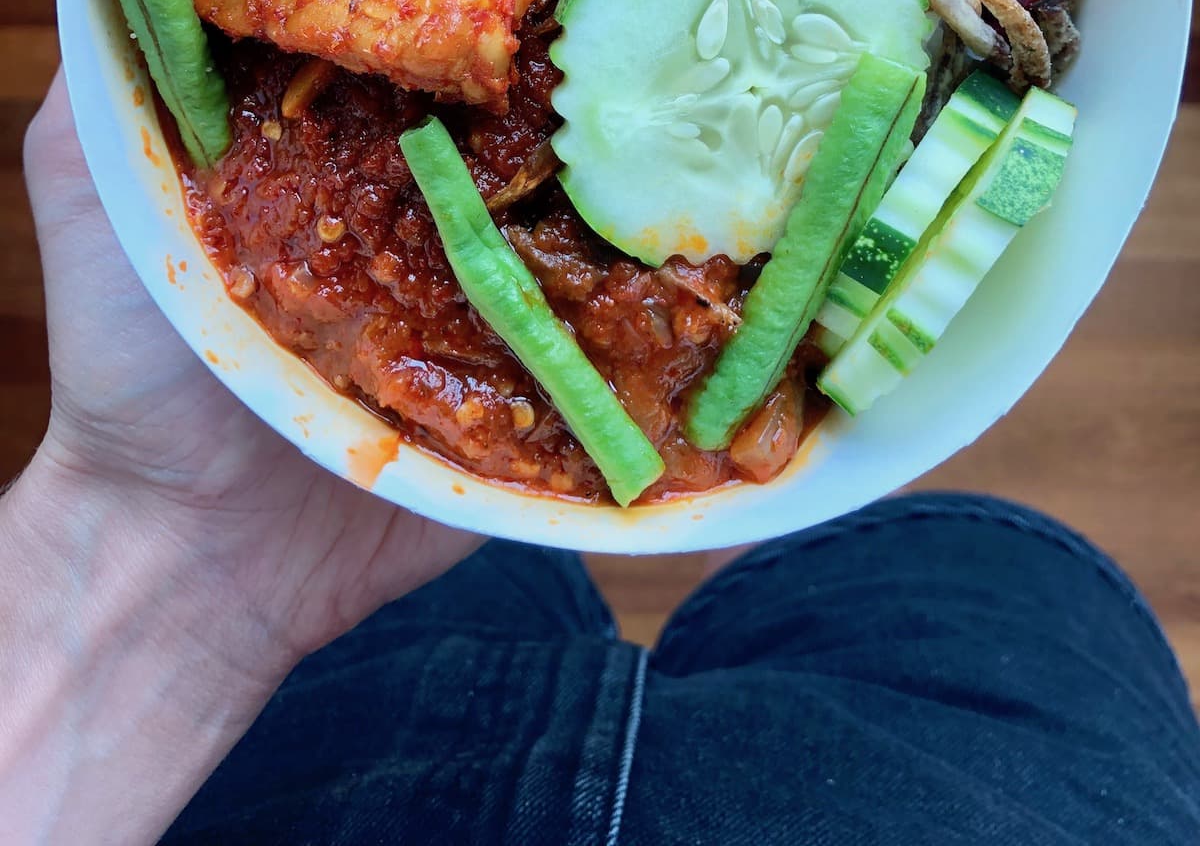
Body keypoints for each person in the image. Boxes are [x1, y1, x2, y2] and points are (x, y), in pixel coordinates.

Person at [2, 76, 1198, 846]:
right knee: (1022, 587)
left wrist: (155, 546)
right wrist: (163, 526)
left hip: (334, 749)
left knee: (513, 584)